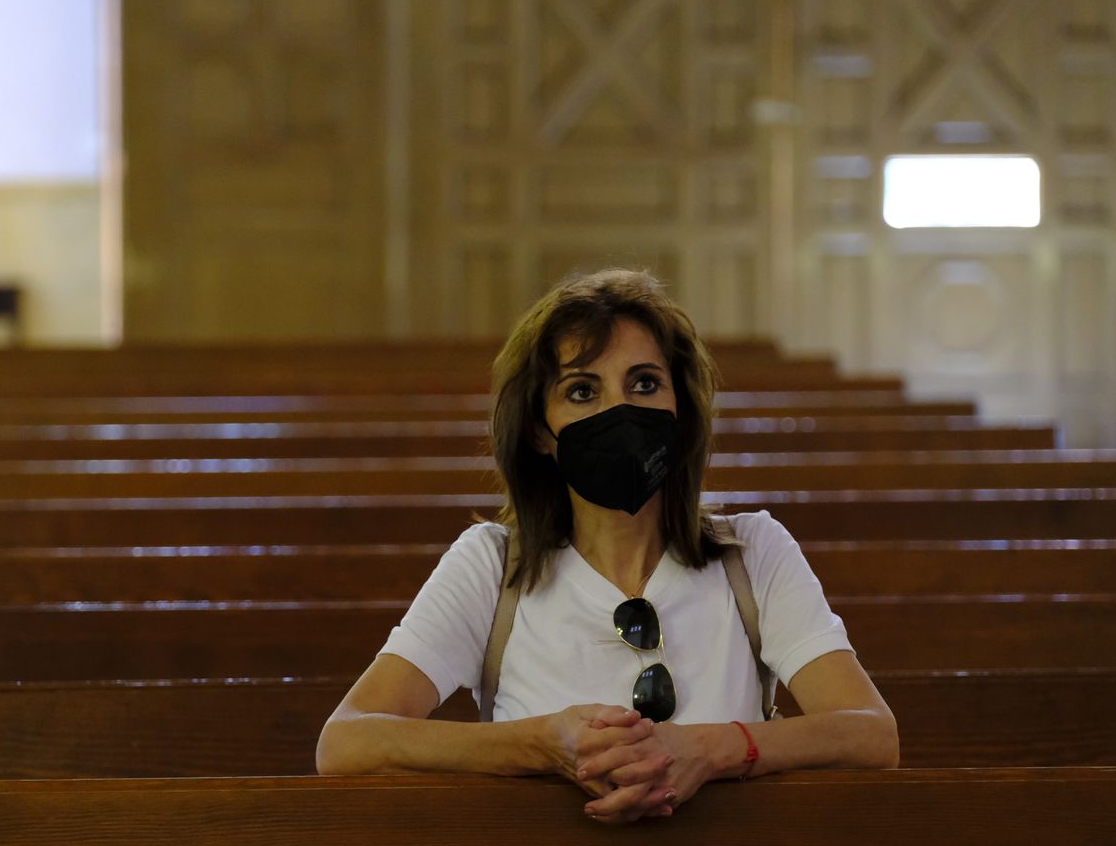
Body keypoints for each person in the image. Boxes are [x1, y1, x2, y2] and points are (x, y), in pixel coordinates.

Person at [316, 268, 898, 824]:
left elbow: (872, 734)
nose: (618, 412)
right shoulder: (490, 566)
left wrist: (715, 748)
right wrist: (542, 744)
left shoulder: (753, 551)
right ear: (541, 432)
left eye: (644, 384)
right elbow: (348, 742)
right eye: (582, 391)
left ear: (679, 409)